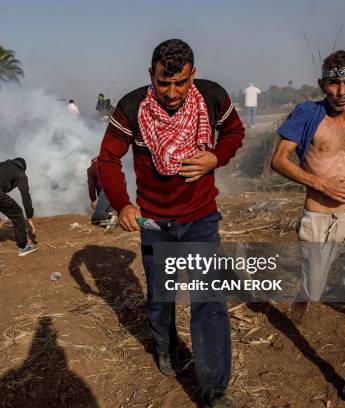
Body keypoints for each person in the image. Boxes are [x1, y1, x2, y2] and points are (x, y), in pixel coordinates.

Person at [97, 39, 244, 407]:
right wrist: (122, 205)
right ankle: (165, 347)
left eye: (181, 82)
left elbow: (235, 133)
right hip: (154, 223)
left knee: (208, 299)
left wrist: (215, 158)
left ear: (193, 74)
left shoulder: (211, 98)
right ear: (151, 75)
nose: (173, 92)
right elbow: (107, 160)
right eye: (164, 83)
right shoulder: (132, 108)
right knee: (161, 297)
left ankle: (215, 389)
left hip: (200, 219)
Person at [271, 50, 345, 406]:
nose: (341, 90)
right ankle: (304, 295)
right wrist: (321, 184)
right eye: (334, 82)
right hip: (318, 218)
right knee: (314, 285)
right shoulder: (308, 114)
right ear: (322, 84)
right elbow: (279, 159)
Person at [87, 157, 116, 225]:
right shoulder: (110, 164)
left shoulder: (91, 169)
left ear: (92, 162)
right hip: (118, 188)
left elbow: (91, 186)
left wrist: (93, 199)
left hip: (107, 188)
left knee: (97, 214)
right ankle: (111, 220)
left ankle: (111, 218)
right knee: (107, 209)